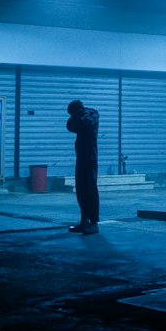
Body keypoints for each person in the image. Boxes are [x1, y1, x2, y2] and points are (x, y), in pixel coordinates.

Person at [66, 100, 100, 234]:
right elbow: (70, 126)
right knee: (81, 190)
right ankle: (84, 220)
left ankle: (94, 223)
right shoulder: (82, 117)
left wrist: (78, 117)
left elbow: (82, 123)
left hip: (90, 157)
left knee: (90, 190)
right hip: (81, 157)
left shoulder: (91, 115)